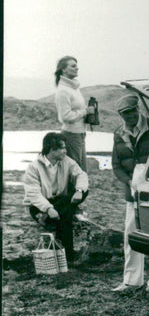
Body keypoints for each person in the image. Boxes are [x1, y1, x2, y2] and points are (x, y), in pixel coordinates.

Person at [111, 94, 149, 294]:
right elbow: (116, 166)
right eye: (125, 114)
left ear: (138, 110)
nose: (129, 117)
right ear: (120, 115)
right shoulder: (118, 134)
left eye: (132, 112)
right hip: (132, 193)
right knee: (130, 234)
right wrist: (129, 182)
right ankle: (131, 281)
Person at [23, 132, 89, 263]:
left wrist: (79, 190)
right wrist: (48, 209)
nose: (65, 151)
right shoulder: (33, 167)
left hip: (59, 202)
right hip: (39, 206)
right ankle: (68, 256)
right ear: (52, 149)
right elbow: (33, 194)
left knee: (83, 191)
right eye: (62, 148)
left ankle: (65, 253)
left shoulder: (66, 161)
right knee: (66, 214)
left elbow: (81, 175)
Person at [54, 56, 94, 222]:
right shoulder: (63, 90)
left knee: (80, 170)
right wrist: (86, 112)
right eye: (73, 66)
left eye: (76, 66)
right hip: (70, 134)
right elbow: (65, 116)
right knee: (74, 172)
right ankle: (71, 208)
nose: (76, 69)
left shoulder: (74, 88)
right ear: (63, 69)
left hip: (79, 133)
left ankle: (74, 206)